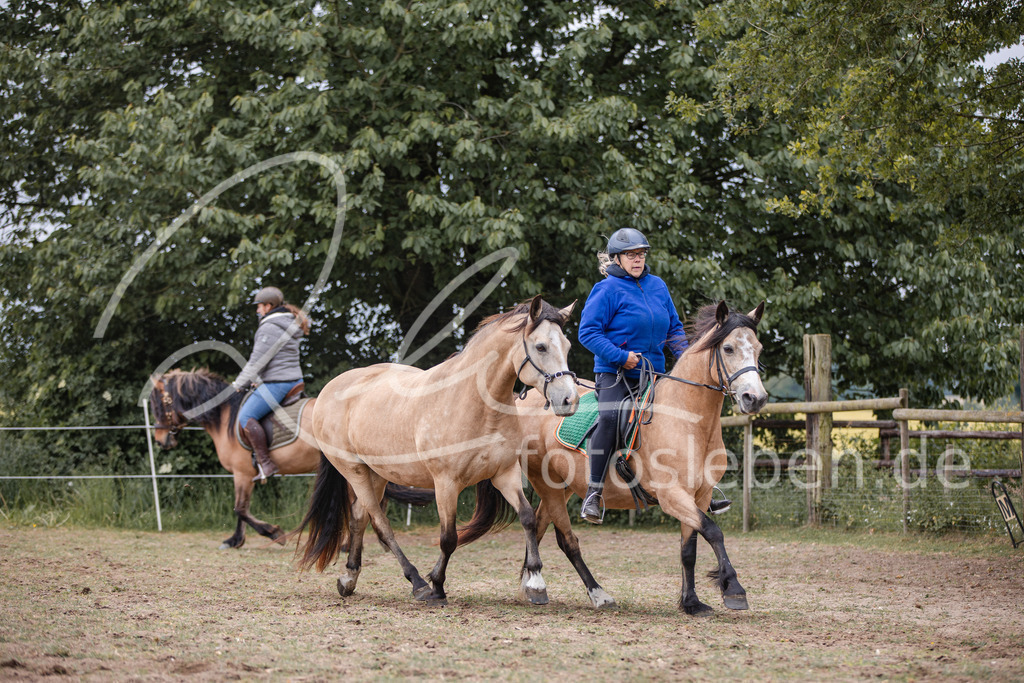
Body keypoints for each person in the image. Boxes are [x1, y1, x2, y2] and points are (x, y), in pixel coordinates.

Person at [576, 228, 689, 524]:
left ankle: (699, 486)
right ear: (617, 259)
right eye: (630, 255)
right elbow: (587, 333)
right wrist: (621, 357)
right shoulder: (606, 289)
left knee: (684, 418)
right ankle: (594, 493)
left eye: (641, 254)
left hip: (654, 374)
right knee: (610, 417)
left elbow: (675, 329)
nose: (637, 260)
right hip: (615, 375)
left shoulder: (658, 286)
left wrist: (686, 357)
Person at [232, 286, 310, 483]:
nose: (257, 310)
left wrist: (237, 385)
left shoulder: (270, 327)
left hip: (278, 383)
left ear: (268, 306)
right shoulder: (288, 323)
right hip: (293, 380)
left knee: (246, 416)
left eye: (259, 306)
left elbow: (257, 362)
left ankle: (266, 463)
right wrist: (257, 380)